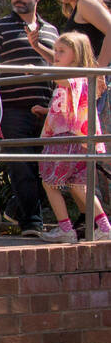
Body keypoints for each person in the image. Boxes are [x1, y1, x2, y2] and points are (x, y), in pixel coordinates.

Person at [0, 0, 59, 237]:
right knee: (21, 164)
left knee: (49, 164)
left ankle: (17, 208)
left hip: (49, 107)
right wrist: (19, 71)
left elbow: (60, 65)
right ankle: (31, 222)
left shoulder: (51, 30)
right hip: (14, 107)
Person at [35, 33, 110, 242]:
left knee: (50, 183)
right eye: (55, 50)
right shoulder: (82, 77)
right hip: (78, 140)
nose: (55, 55)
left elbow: (63, 80)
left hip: (66, 139)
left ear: (76, 54)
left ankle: (65, 228)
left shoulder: (76, 76)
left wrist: (37, 70)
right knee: (79, 185)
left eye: (61, 51)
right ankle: (104, 226)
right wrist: (45, 110)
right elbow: (69, 104)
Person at [38, 0, 111, 139]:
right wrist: (36, 46)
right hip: (85, 86)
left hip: (98, 85)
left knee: (98, 145)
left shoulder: (86, 3)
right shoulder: (75, 10)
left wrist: (98, 71)